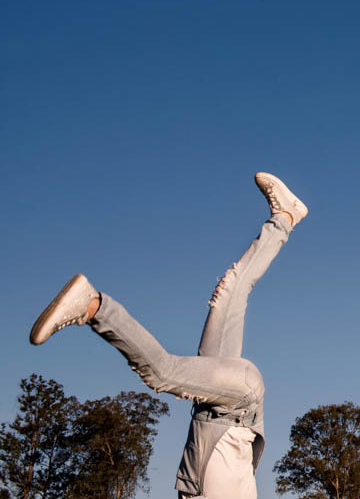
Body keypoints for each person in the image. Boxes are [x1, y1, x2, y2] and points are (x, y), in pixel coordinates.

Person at [29, 172, 308, 499]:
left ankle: (285, 217)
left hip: (220, 403)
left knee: (231, 291)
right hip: (238, 402)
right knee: (161, 373)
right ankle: (93, 306)